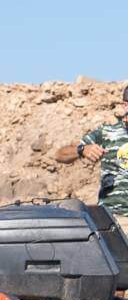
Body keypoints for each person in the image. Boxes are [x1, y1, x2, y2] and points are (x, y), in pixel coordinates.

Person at [63, 85, 128, 217]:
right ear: (125, 106)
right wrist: (82, 150)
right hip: (115, 220)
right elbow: (60, 155)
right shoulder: (107, 132)